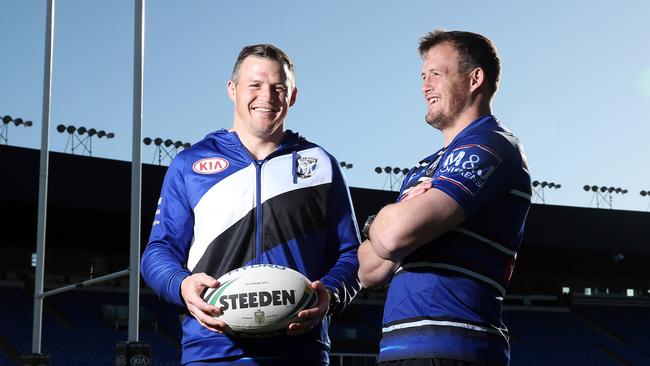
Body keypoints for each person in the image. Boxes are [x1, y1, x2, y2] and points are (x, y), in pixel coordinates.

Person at [141, 44, 361, 365]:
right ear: (232, 89)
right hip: (212, 351)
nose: (267, 97)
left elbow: (351, 254)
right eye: (255, 85)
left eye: (278, 88)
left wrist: (332, 293)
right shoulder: (190, 163)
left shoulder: (320, 164)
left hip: (300, 351)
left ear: (293, 96)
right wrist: (182, 284)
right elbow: (158, 252)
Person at [358, 30, 531, 366]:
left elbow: (392, 237)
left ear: (474, 78)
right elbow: (369, 271)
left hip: (453, 348)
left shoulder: (491, 146)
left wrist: (384, 224)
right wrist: (392, 222)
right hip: (398, 349)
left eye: (436, 74)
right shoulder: (424, 168)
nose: (425, 86)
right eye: (423, 76)